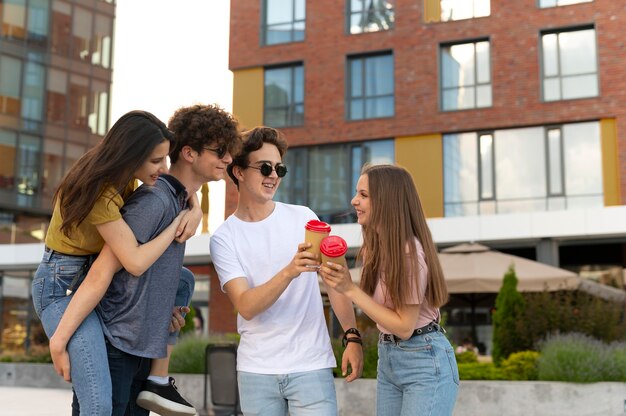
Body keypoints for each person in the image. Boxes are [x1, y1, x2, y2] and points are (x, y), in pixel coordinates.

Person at [31, 110, 201, 416]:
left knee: (184, 279)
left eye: (165, 159)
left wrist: (196, 207)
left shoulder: (126, 179)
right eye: (155, 161)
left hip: (88, 279)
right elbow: (134, 262)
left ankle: (158, 380)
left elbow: (187, 190)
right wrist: (176, 223)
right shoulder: (99, 190)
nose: (163, 168)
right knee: (98, 407)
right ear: (130, 154)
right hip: (61, 288)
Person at [209, 126, 363, 416]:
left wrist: (352, 336)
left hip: (311, 367)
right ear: (239, 172)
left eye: (279, 168)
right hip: (257, 373)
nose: (273, 175)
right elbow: (246, 305)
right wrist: (290, 271)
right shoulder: (224, 238)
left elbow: (336, 281)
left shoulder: (303, 217)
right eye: (265, 167)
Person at [98, 103, 240, 415]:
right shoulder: (155, 199)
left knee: (185, 278)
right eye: (220, 151)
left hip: (140, 349)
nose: (228, 159)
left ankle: (159, 381)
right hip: (117, 347)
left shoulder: (178, 201)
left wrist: (163, 316)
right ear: (189, 153)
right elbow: (107, 270)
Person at [320, 164, 459, 416]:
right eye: (356, 193)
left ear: (387, 200)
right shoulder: (377, 248)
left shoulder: (409, 252)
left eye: (364, 195)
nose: (354, 201)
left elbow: (404, 326)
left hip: (424, 360)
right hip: (389, 358)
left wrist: (351, 289)